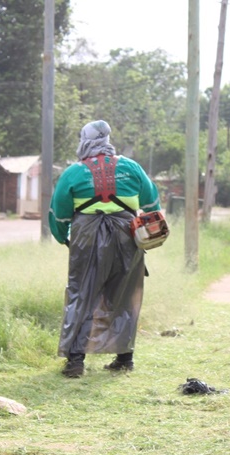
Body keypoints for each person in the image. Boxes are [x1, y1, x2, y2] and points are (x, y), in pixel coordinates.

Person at [48, 120, 162, 378]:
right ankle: (125, 358)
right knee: (126, 292)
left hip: (86, 236)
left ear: (85, 140)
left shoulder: (74, 172)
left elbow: (59, 216)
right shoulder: (131, 167)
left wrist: (65, 240)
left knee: (81, 293)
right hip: (127, 236)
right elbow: (152, 202)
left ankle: (76, 362)